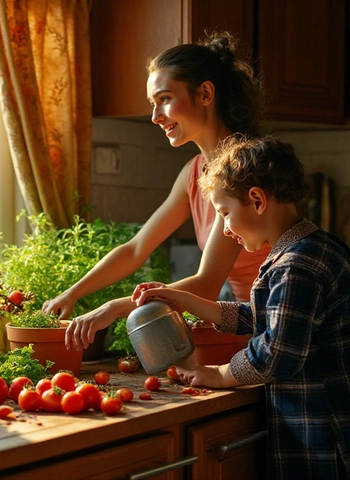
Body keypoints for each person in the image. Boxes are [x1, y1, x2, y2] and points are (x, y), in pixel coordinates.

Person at [133, 135, 350, 479]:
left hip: (324, 433)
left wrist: (221, 374)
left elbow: (277, 351)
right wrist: (186, 300)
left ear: (257, 200)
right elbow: (261, 317)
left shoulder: (297, 266)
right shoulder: (310, 250)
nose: (226, 228)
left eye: (224, 213)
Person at [42, 32, 271, 351]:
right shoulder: (195, 172)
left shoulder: (243, 168)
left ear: (205, 93)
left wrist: (114, 309)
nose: (155, 116)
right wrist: (73, 293)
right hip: (250, 323)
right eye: (153, 103)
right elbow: (136, 248)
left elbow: (205, 285)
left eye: (164, 98)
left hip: (277, 326)